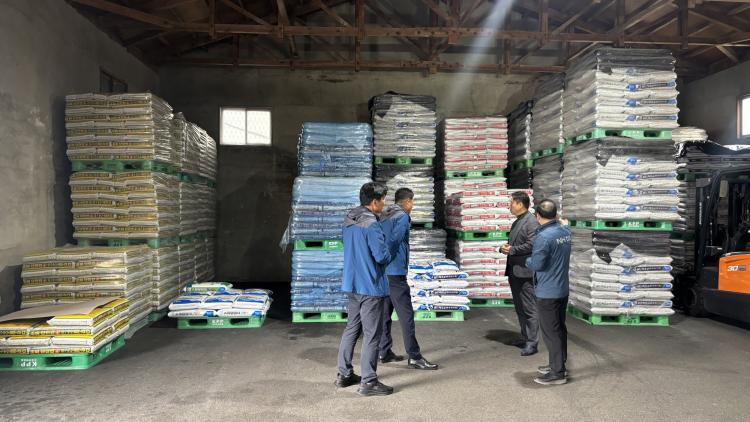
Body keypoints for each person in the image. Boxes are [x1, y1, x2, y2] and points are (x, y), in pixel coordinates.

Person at [335, 182, 393, 396]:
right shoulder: (372, 224)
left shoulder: (349, 220)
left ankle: (344, 374)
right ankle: (369, 382)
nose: (384, 204)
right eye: (383, 200)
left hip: (351, 284)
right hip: (370, 286)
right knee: (372, 334)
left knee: (352, 328)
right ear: (374, 202)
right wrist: (390, 248)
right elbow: (381, 256)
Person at [377, 188, 438, 370]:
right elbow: (394, 242)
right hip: (395, 272)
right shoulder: (402, 216)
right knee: (406, 316)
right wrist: (388, 259)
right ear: (408, 202)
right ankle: (414, 356)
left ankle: (384, 351)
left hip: (383, 273)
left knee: (385, 314)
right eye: (412, 202)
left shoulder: (385, 215)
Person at [525, 199, 572, 386]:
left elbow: (537, 264)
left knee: (551, 333)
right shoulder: (565, 232)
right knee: (559, 329)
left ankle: (557, 373)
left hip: (547, 292)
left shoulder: (544, 238)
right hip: (562, 289)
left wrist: (527, 260)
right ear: (555, 214)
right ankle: (559, 364)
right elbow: (564, 225)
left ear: (537, 216)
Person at [500, 191, 540, 357]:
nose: (509, 206)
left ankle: (532, 343)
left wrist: (512, 250)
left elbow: (532, 244)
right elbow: (515, 243)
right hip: (515, 271)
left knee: (529, 308)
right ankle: (525, 337)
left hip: (525, 272)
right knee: (519, 307)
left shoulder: (531, 222)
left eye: (511, 203)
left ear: (520, 204)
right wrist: (504, 248)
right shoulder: (518, 221)